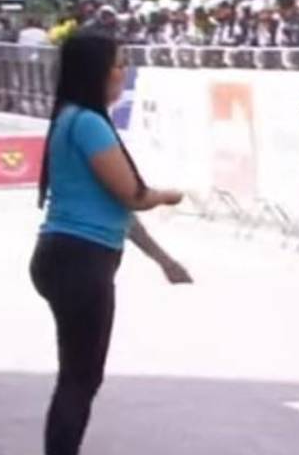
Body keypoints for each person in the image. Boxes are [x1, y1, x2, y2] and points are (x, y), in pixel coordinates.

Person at [31, 30, 192, 455]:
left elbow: (115, 209)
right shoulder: (88, 123)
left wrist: (163, 260)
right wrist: (170, 195)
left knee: (77, 375)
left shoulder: (69, 118)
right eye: (118, 64)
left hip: (64, 255)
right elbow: (132, 195)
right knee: (80, 379)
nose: (123, 72)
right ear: (97, 71)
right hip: (81, 260)